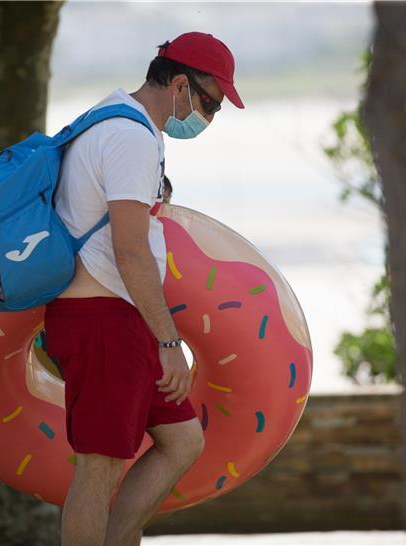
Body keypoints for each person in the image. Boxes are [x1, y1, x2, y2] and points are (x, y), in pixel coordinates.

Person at [43, 31, 244, 546]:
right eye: (210, 103)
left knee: (182, 441)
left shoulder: (119, 120)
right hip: (103, 318)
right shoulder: (131, 137)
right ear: (180, 84)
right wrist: (169, 342)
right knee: (99, 468)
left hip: (116, 317)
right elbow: (130, 251)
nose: (211, 118)